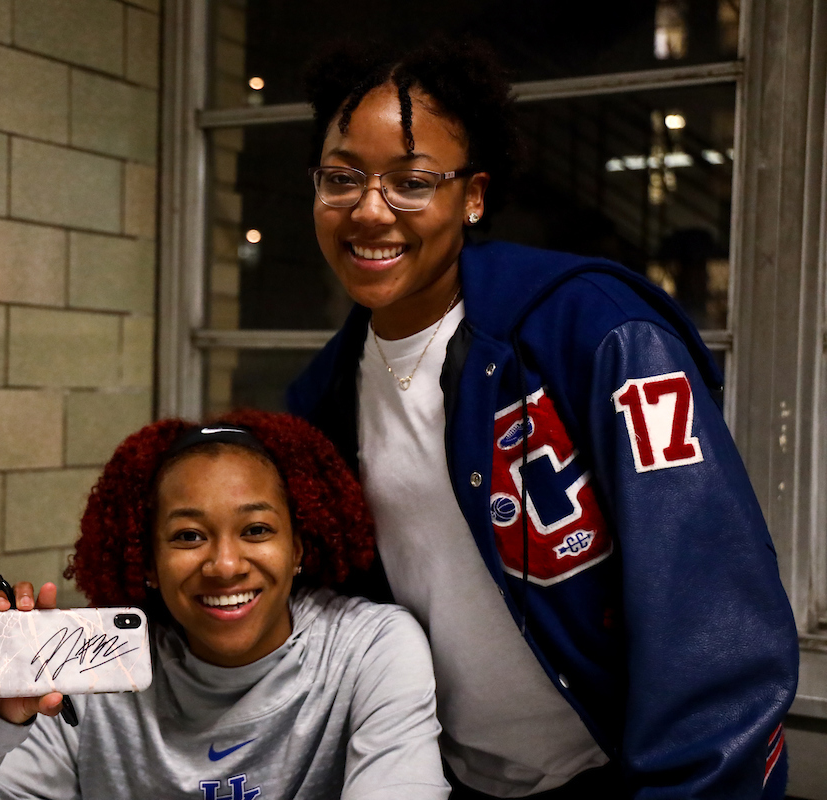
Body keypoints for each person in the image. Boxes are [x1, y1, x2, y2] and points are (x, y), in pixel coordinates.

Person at [287, 38, 800, 799]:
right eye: (341, 179)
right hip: (442, 776)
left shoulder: (598, 333)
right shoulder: (322, 396)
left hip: (621, 778)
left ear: (474, 196)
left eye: (412, 181)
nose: (369, 209)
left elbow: (712, 612)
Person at [0, 409, 450, 799]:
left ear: (299, 546)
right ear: (146, 562)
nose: (225, 565)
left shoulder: (370, 649)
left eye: (256, 529)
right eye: (187, 536)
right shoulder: (85, 673)